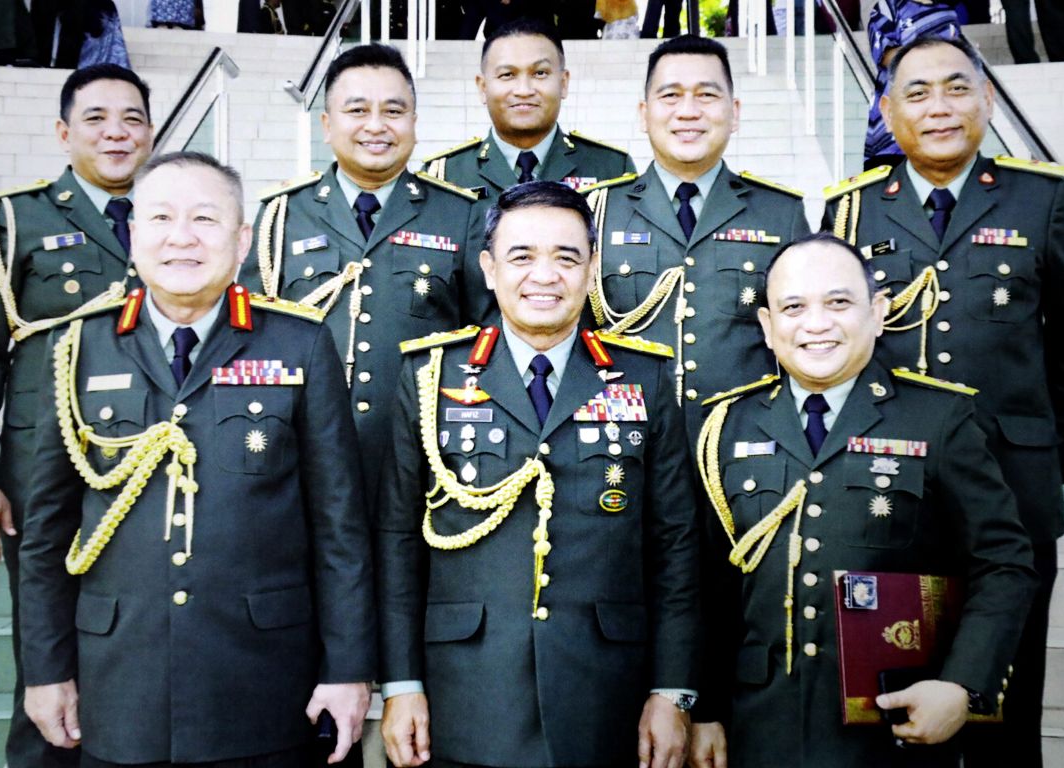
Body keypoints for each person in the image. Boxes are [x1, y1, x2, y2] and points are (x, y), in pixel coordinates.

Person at [19, 151, 376, 767]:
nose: (181, 237)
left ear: (242, 241)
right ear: (134, 235)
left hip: (264, 684)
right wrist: (45, 671)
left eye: (205, 219)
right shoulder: (77, 347)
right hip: (120, 684)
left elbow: (338, 527)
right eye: (161, 218)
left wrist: (348, 669)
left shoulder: (300, 343)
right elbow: (46, 535)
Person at [822, 35, 1064, 766]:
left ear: (987, 98)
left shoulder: (1040, 198)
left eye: (956, 87)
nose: (939, 107)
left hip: (1013, 496)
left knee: (1006, 716)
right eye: (916, 93)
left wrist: (1039, 466)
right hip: (890, 500)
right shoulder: (852, 211)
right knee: (893, 711)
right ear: (888, 112)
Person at [377, 181, 700, 768]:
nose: (544, 276)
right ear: (489, 269)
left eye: (567, 258)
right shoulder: (429, 375)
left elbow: (675, 546)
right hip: (466, 694)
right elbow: (398, 541)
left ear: (592, 269)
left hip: (606, 698)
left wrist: (672, 690)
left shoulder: (645, 378)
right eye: (522, 256)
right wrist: (401, 684)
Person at [691, 232, 1037, 767]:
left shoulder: (938, 419)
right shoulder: (724, 427)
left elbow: (1004, 563)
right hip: (759, 728)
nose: (816, 324)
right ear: (767, 326)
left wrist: (962, 685)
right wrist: (705, 709)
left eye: (838, 302)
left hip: (895, 728)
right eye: (793, 307)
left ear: (877, 312)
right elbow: (709, 585)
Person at [0, 63, 154, 768]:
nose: (116, 133)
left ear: (151, 132)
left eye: (131, 119)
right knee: (46, 647)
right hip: (44, 467)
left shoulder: (175, 213)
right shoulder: (18, 218)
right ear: (64, 133)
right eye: (96, 119)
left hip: (149, 462)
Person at [239, 43, 489, 506]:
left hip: (423, 461)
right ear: (327, 124)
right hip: (305, 461)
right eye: (357, 110)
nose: (376, 126)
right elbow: (251, 341)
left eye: (393, 111)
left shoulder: (460, 214)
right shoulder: (282, 215)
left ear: (414, 122)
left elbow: (485, 341)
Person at [586, 34, 810, 438]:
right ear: (644, 113)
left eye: (706, 95)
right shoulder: (599, 210)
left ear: (734, 112)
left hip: (745, 443)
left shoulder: (780, 213)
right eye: (670, 95)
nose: (688, 111)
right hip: (627, 444)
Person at [422, 18, 635, 199]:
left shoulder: (612, 169)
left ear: (563, 83)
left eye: (540, 73)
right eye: (507, 75)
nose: (524, 90)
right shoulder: (444, 176)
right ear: (483, 87)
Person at [863, 0, 960, 169]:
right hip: (890, 137)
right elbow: (886, 56)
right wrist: (932, 56)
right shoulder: (888, 8)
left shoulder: (947, 13)